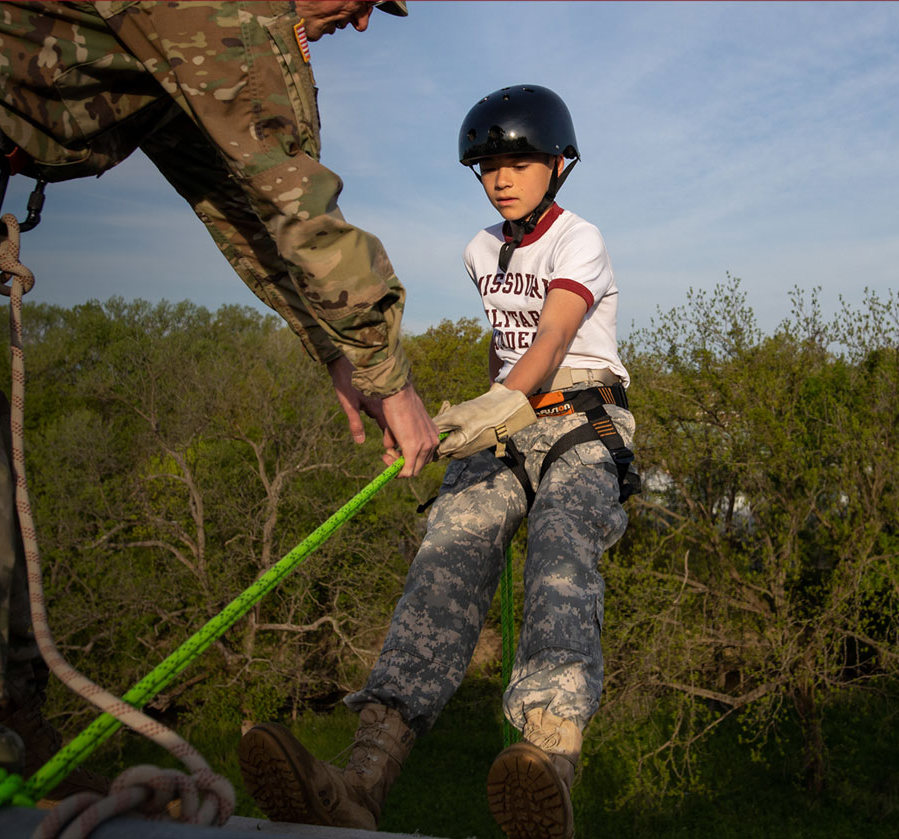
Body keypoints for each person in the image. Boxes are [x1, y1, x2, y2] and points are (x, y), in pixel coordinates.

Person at [0, 0, 437, 794]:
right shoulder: (231, 10)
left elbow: (234, 196)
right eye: (367, 0)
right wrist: (386, 374)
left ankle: (10, 749)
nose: (360, 23)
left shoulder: (178, 42)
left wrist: (336, 351)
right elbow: (290, 191)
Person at [239, 83, 638, 839]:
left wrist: (503, 403)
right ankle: (363, 778)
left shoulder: (579, 237)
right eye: (488, 164)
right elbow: (505, 339)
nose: (501, 175)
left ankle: (548, 756)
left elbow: (552, 338)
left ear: (558, 164)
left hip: (580, 417)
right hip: (506, 417)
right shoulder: (479, 248)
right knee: (445, 555)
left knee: (560, 546)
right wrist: (474, 412)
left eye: (518, 160)